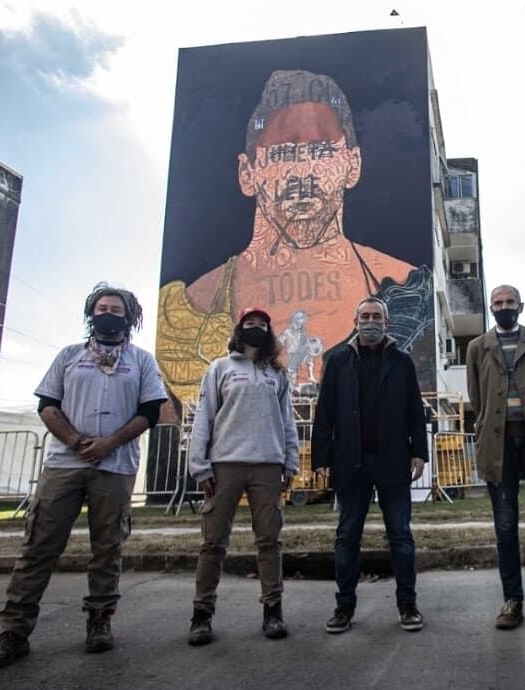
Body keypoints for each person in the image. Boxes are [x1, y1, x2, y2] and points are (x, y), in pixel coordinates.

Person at [157, 69, 422, 405]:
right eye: (283, 154)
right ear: (247, 173)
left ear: (352, 164)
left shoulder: (408, 286)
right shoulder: (186, 313)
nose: (303, 172)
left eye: (322, 150)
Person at [0, 283, 167, 671]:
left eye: (116, 308)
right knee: (38, 547)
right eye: (102, 307)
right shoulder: (68, 357)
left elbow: (150, 411)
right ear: (90, 313)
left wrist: (108, 444)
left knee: (107, 548)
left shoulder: (142, 362)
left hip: (115, 467)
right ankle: (13, 632)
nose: (108, 313)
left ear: (129, 317)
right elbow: (47, 405)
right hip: (64, 464)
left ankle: (100, 623)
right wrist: (77, 441)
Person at [312, 297, 427, 634]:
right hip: (350, 463)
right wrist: (321, 457)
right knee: (347, 537)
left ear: (387, 322)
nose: (371, 321)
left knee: (401, 537)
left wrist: (418, 451)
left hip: (393, 462)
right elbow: (325, 413)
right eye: (365, 316)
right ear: (355, 320)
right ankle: (343, 607)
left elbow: (414, 411)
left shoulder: (402, 362)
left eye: (377, 316)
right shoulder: (337, 361)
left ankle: (408, 605)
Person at [186, 307, 299, 645]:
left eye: (262, 325)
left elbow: (287, 423)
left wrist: (290, 463)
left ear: (269, 333)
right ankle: (201, 616)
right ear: (239, 330)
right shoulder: (219, 369)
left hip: (267, 465)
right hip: (225, 466)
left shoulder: (277, 375)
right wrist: (200, 465)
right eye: (249, 325)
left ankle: (272, 611)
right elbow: (204, 418)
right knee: (213, 543)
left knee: (269, 542)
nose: (255, 329)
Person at [465, 285, 525, 630]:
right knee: (505, 525)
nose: (504, 307)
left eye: (510, 302)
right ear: (491, 309)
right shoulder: (478, 348)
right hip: (499, 446)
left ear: (521, 306)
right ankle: (512, 601)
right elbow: (477, 400)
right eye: (498, 303)